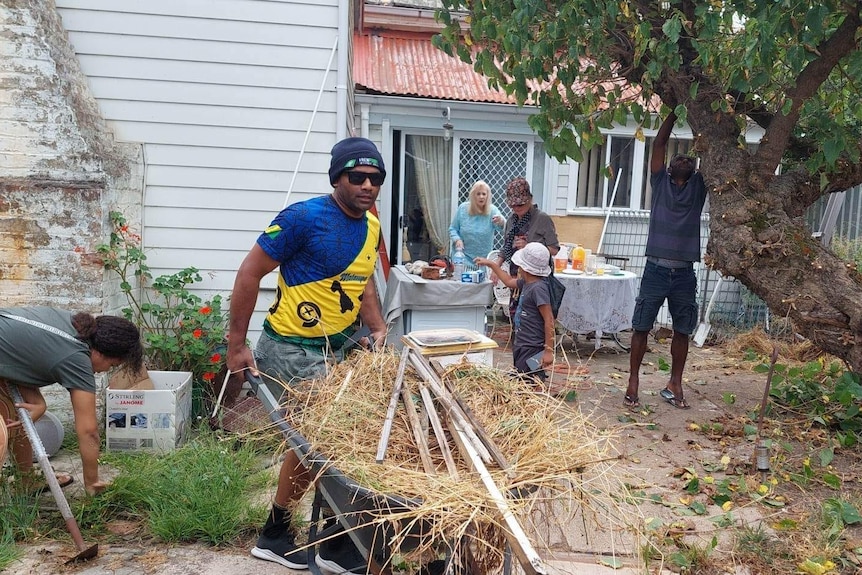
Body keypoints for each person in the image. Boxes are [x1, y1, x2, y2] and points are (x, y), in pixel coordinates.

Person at [226, 136, 388, 571]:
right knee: (321, 441)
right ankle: (297, 537)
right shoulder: (303, 218)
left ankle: (320, 539)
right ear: (337, 177)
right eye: (357, 177)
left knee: (330, 441)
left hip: (337, 348)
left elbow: (363, 280)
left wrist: (375, 326)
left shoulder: (371, 225)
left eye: (376, 179)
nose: (368, 186)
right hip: (292, 348)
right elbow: (248, 273)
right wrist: (237, 345)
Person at [0, 307, 143, 496]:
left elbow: (22, 356)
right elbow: (89, 431)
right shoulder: (78, 359)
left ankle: (26, 480)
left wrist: (38, 402)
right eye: (112, 365)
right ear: (100, 353)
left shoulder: (73, 323)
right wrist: (92, 482)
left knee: (17, 416)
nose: (105, 371)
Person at [624, 112, 707, 410]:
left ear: (695, 168)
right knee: (641, 327)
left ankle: (675, 383)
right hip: (655, 269)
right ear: (669, 169)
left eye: (689, 158)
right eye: (678, 158)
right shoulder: (660, 183)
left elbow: (709, 151)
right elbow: (659, 143)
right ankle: (633, 380)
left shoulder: (699, 187)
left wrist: (703, 120)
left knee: (682, 329)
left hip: (685, 273)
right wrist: (674, 112)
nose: (683, 159)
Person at [475, 243, 555, 384]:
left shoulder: (538, 289)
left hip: (533, 346)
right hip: (522, 342)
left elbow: (549, 320)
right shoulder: (527, 282)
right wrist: (492, 265)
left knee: (528, 380)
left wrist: (548, 350)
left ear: (524, 268)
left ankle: (533, 400)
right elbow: (508, 280)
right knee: (522, 377)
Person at [494, 177, 560, 318]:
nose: (517, 209)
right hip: (517, 274)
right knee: (516, 315)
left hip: (537, 278)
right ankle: (518, 338)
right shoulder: (511, 220)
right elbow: (506, 246)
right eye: (513, 206)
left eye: (520, 205)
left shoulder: (542, 218)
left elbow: (554, 249)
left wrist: (529, 246)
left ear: (530, 199)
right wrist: (496, 267)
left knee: (534, 317)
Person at [448, 180, 506, 260]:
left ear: (487, 196)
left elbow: (503, 226)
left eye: (484, 194)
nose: (481, 196)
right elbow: (453, 229)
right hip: (462, 257)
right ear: (473, 195)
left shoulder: (492, 210)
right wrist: (457, 240)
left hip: (483, 259)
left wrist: (501, 221)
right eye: (478, 194)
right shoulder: (463, 208)